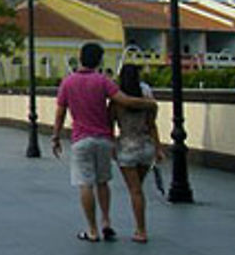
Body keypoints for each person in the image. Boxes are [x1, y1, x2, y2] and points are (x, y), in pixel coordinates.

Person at [51, 43, 158, 243]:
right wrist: (149, 103)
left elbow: (60, 113)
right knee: (103, 182)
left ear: (80, 57)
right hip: (104, 139)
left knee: (85, 184)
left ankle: (92, 230)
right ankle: (106, 222)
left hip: (81, 139)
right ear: (99, 61)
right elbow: (124, 100)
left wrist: (56, 136)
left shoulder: (67, 83)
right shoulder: (103, 81)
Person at [111, 64, 164, 243]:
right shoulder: (147, 100)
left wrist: (111, 145)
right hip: (146, 146)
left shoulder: (117, 100)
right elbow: (152, 125)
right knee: (138, 190)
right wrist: (158, 148)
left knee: (135, 191)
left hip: (126, 146)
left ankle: (140, 231)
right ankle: (141, 229)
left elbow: (109, 122)